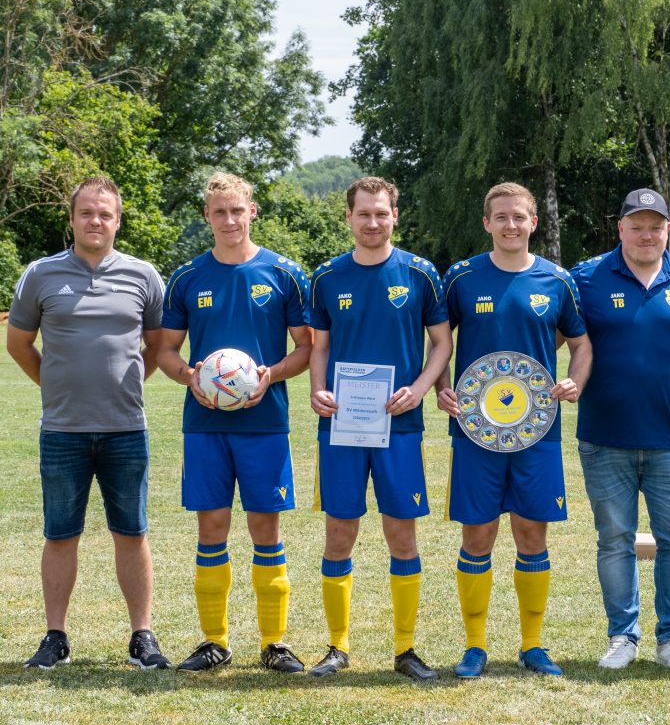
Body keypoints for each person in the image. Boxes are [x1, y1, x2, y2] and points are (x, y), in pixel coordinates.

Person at [7, 176, 170, 670]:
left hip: (126, 429)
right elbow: (18, 344)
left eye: (105, 214)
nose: (95, 221)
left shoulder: (144, 275)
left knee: (132, 531)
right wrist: (56, 388)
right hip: (62, 431)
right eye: (86, 213)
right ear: (72, 219)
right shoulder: (40, 274)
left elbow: (159, 347)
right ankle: (55, 636)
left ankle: (142, 636)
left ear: (117, 220)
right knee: (60, 534)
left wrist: (126, 383)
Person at [156, 172, 312, 673]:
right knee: (213, 527)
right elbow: (164, 350)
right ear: (207, 216)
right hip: (205, 424)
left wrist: (271, 375)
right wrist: (191, 378)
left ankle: (274, 643)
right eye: (219, 212)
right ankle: (214, 641)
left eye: (237, 210)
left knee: (266, 528)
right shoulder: (186, 278)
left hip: (266, 422)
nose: (229, 219)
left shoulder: (283, 274)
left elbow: (306, 347)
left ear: (252, 212)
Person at [436, 182, 592, 678]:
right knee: (477, 533)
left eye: (519, 218)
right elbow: (440, 340)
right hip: (476, 431)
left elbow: (582, 344)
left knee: (531, 532)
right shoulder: (461, 278)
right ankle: (475, 646)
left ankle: (532, 644)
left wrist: (575, 379)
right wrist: (441, 384)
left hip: (536, 432)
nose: (510, 226)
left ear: (533, 223)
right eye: (501, 217)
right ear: (487, 223)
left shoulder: (557, 281)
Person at [570, 188, 670, 671]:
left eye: (655, 225)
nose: (646, 234)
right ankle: (623, 637)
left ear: (667, 230)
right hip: (603, 438)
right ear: (620, 229)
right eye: (636, 225)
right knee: (613, 539)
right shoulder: (586, 277)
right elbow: (550, 339)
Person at [307, 177, 453, 682]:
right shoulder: (326, 276)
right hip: (341, 425)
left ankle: (406, 649)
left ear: (396, 216)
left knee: (402, 534)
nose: (372, 222)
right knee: (339, 532)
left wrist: (420, 388)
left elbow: (441, 344)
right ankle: (337, 647)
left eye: (381, 214)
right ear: (348, 218)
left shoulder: (420, 273)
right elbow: (319, 347)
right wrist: (317, 389)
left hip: (401, 424)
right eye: (363, 214)